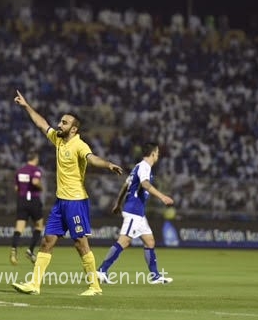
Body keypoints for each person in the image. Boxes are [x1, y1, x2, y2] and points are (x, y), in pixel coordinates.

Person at [11, 90, 123, 296]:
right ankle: (34, 284)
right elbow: (41, 123)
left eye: (64, 123)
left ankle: (95, 286)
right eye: (60, 121)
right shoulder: (59, 139)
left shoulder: (79, 145)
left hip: (76, 202)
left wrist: (107, 165)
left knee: (81, 244)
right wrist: (26, 106)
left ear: (74, 128)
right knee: (47, 241)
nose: (59, 124)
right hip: (61, 202)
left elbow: (92, 158)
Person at [96, 142, 175, 285]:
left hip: (138, 213)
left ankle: (155, 276)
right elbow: (145, 184)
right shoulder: (144, 167)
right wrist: (162, 197)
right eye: (157, 152)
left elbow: (125, 186)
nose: (158, 155)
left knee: (150, 241)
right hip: (134, 211)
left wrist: (117, 204)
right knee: (124, 241)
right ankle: (101, 271)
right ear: (153, 153)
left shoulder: (137, 167)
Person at [10, 151, 44, 265]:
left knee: (19, 227)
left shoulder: (19, 171)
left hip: (22, 200)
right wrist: (40, 187)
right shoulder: (35, 170)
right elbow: (35, 181)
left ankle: (14, 250)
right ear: (35, 159)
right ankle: (30, 250)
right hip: (33, 200)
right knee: (39, 225)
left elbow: (16, 188)